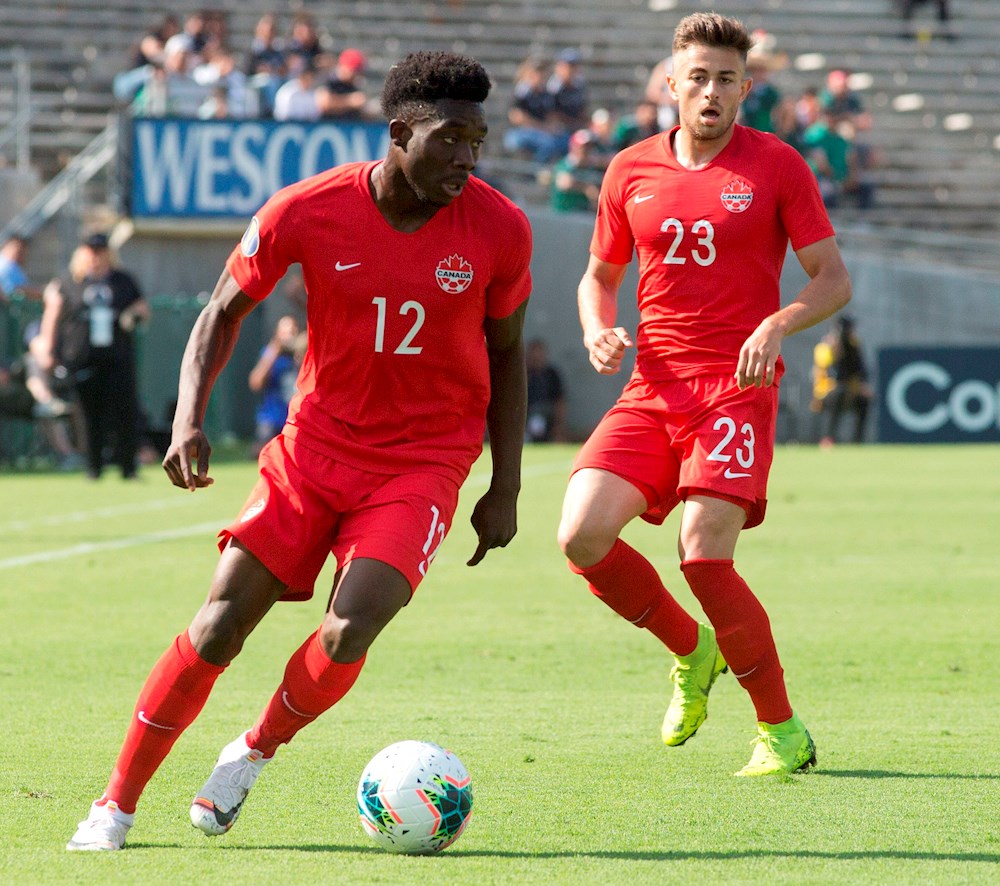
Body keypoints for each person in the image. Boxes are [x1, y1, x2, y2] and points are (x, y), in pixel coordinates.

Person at [67, 50, 532, 852]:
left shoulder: (500, 227)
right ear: (399, 134)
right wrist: (188, 417)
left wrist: (506, 487)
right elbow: (220, 312)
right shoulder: (305, 209)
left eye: (477, 141)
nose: (466, 158)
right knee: (217, 626)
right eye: (451, 138)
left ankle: (251, 750)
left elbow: (509, 356)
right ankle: (114, 805)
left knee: (351, 628)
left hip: (423, 462)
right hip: (313, 449)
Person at [556, 12, 851, 778]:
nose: (711, 91)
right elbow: (599, 276)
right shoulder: (628, 170)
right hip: (652, 387)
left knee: (702, 551)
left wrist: (779, 324)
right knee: (581, 535)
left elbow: (832, 278)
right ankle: (692, 649)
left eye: (727, 79)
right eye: (698, 77)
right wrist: (597, 327)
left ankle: (781, 731)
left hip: (736, 389)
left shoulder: (779, 165)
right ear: (671, 83)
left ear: (746, 89)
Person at [37, 233, 150, 480]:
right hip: (81, 360)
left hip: (117, 358)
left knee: (124, 413)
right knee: (88, 416)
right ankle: (93, 467)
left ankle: (127, 467)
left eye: (100, 250)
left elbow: (142, 308)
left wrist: (132, 315)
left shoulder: (123, 281)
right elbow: (52, 316)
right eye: (91, 250)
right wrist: (48, 348)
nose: (96, 256)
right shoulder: (68, 283)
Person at [812, 315, 872, 446]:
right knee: (838, 394)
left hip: (849, 390)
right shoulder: (825, 347)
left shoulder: (854, 347)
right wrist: (835, 350)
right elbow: (831, 372)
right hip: (826, 391)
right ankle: (828, 438)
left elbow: (860, 369)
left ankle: (857, 441)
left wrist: (862, 386)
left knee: (864, 400)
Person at [248, 314, 302, 455]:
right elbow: (256, 383)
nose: (289, 337)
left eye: (293, 332)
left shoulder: (302, 355)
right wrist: (273, 352)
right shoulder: (269, 354)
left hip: (297, 417)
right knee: (263, 453)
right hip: (272, 417)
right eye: (286, 333)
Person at [526, 338, 567, 442]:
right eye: (533, 355)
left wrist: (559, 425)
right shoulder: (523, 374)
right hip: (525, 413)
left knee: (538, 416)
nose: (536, 358)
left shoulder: (551, 374)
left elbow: (559, 401)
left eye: (539, 354)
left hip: (547, 413)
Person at [0, 236, 44, 302]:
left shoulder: (12, 265)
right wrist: (44, 293)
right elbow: (15, 290)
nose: (22, 254)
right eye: (19, 249)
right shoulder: (6, 265)